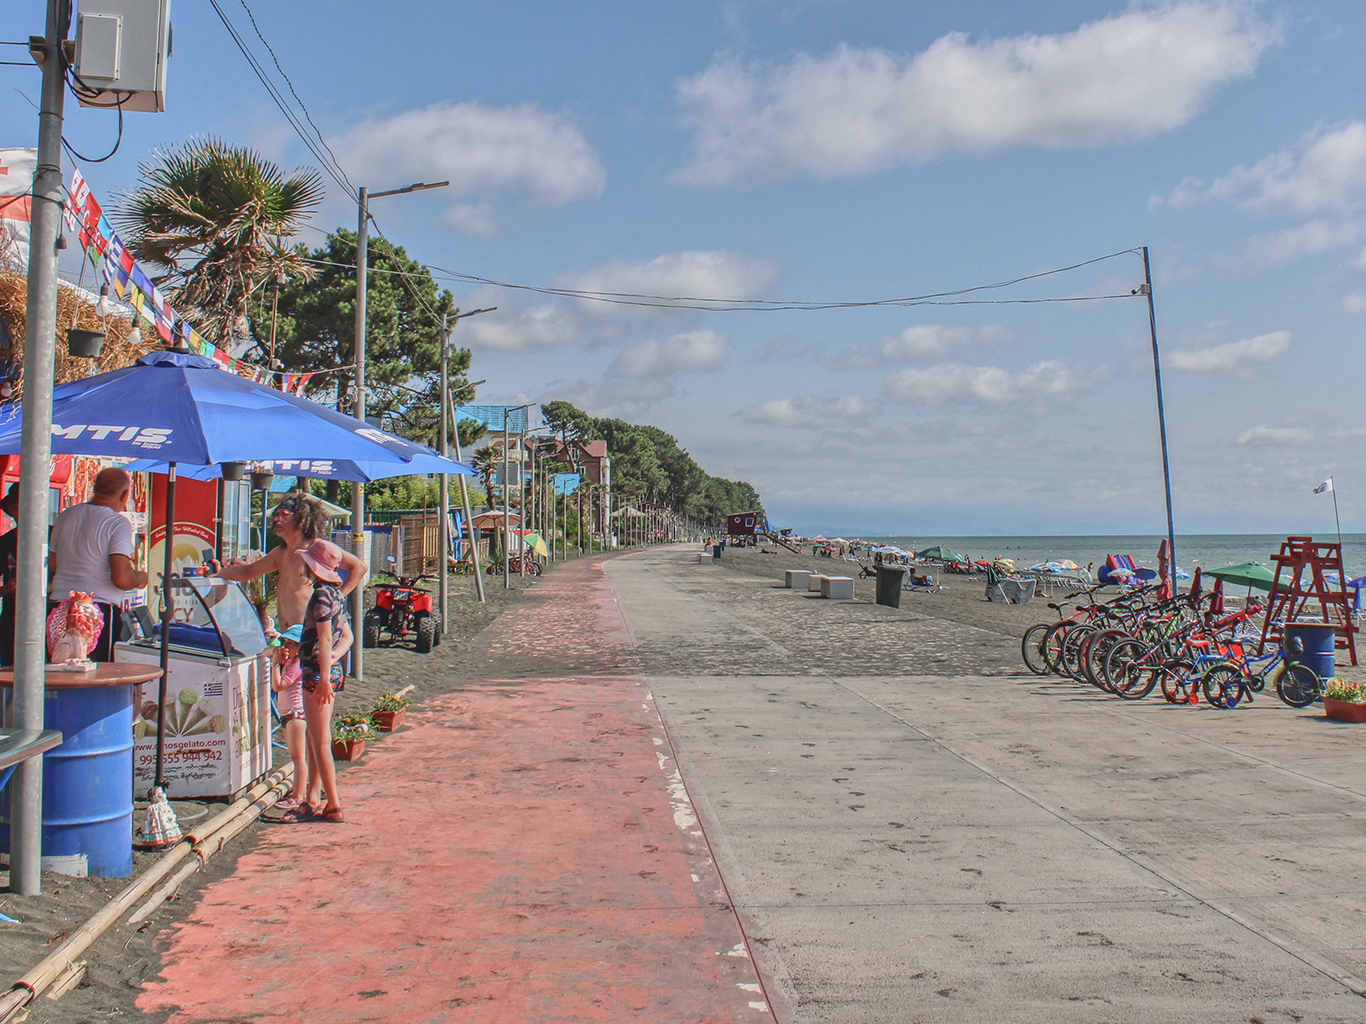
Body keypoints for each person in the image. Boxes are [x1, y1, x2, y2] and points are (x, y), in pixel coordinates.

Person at [211, 492, 366, 629]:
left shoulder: (316, 548)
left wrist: (338, 598)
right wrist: (218, 572)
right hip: (289, 635)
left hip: (312, 632)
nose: (277, 519)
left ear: (301, 519)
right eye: (276, 515)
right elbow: (247, 572)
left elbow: (359, 567)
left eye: (284, 515)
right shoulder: (280, 552)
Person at [48, 467, 149, 661]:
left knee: (57, 672)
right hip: (97, 610)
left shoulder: (66, 515)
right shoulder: (116, 523)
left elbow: (53, 564)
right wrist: (139, 579)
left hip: (59, 605)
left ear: (95, 488)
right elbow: (121, 578)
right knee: (94, 675)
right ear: (125, 494)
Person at [285, 540, 352, 824]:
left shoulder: (321, 596)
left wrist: (323, 675)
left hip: (316, 674)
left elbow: (324, 638)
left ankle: (334, 803)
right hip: (326, 671)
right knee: (316, 738)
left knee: (321, 741)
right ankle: (314, 799)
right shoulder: (336, 594)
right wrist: (335, 659)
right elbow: (346, 636)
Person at [269, 623, 311, 811]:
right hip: (290, 716)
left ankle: (298, 796)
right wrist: (277, 653)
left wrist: (275, 664)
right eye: (284, 642)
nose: (285, 646)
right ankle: (300, 791)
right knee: (297, 757)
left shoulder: (295, 666)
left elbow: (277, 687)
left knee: (298, 758)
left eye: (290, 644)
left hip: (295, 716)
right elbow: (265, 650)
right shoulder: (290, 663)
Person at [0, 485, 18, 664]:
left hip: (50, 616)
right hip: (11, 621)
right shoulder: (5, 542)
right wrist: (7, 588)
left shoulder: (55, 535)